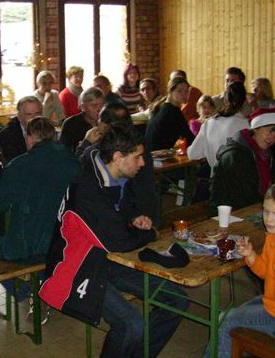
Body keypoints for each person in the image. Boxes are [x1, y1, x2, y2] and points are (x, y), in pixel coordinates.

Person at [40, 124, 189, 357]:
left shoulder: (114, 174)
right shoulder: (87, 188)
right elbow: (118, 242)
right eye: (137, 157)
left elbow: (121, 206)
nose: (143, 163)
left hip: (107, 258)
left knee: (177, 300)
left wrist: (133, 217)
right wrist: (150, 234)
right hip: (76, 268)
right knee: (131, 325)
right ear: (118, 157)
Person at [205, 181, 275, 358]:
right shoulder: (274, 236)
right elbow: (266, 272)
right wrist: (251, 255)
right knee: (226, 316)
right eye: (266, 211)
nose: (268, 219)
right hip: (273, 303)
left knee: (226, 321)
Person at [0, 117, 80, 306]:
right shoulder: (74, 161)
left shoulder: (20, 165)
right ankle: (46, 286)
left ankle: (27, 293)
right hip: (66, 240)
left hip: (31, 245)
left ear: (29, 139)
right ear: (54, 136)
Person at [76, 103, 160, 228]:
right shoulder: (135, 148)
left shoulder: (117, 157)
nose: (141, 163)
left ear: (106, 126)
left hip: (136, 219)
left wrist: (85, 144)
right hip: (136, 218)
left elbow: (76, 165)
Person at [209, 108, 275, 216]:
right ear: (256, 129)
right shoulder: (236, 155)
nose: (272, 137)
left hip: (255, 208)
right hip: (231, 213)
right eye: (269, 130)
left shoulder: (269, 153)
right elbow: (245, 195)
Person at [188, 82, 249, 169]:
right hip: (238, 175)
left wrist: (208, 149)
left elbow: (193, 154)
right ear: (244, 102)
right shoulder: (246, 125)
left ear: (225, 100)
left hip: (215, 174)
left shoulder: (208, 123)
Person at [144, 76, 195, 151]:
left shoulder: (163, 106)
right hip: (157, 156)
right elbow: (190, 139)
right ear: (170, 92)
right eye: (180, 91)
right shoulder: (172, 111)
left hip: (150, 153)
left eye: (186, 91)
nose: (184, 94)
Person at [0, 96, 42, 162]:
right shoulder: (7, 136)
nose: (34, 118)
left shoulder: (47, 131)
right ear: (19, 117)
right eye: (29, 114)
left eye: (37, 114)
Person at [59, 87, 104, 152]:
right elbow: (64, 152)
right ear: (83, 107)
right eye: (94, 106)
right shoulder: (71, 124)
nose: (99, 110)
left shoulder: (109, 121)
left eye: (102, 105)